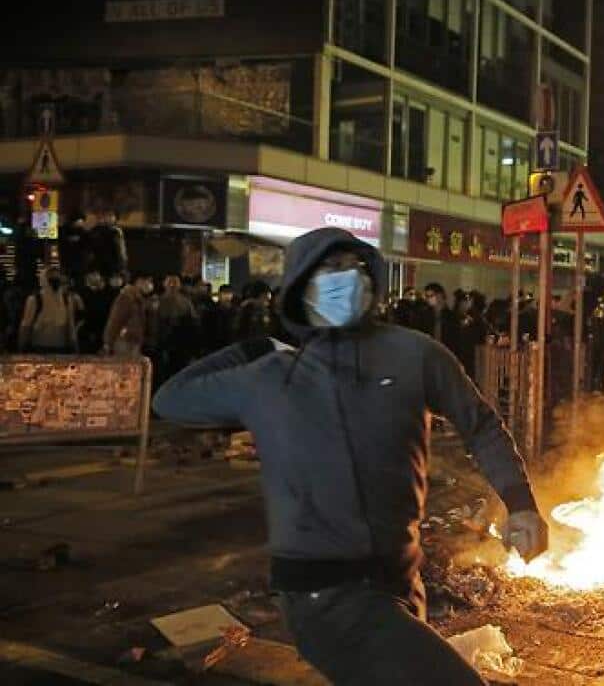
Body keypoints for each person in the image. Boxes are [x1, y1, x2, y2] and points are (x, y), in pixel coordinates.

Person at [152, 227, 547, 685]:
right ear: (302, 288)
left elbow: (479, 424)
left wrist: (520, 503)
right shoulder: (270, 375)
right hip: (324, 597)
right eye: (328, 269)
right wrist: (255, 345)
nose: (344, 278)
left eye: (352, 267)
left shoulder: (415, 354)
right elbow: (170, 399)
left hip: (400, 581)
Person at [18, 266, 80, 354]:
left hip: (61, 348)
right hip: (39, 348)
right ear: (44, 280)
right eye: (51, 279)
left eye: (57, 278)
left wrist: (74, 345)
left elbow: (71, 325)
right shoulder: (35, 299)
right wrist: (22, 347)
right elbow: (26, 326)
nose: (55, 282)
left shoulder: (66, 299)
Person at [154, 275, 199, 383]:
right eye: (170, 282)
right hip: (162, 343)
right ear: (165, 284)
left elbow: (193, 324)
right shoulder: (157, 301)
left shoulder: (186, 302)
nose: (172, 285)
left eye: (175, 282)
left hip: (180, 344)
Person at [104, 274, 153, 357]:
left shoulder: (138, 299)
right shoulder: (126, 298)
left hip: (133, 341)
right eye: (148, 281)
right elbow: (115, 320)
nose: (149, 284)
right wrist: (108, 342)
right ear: (139, 281)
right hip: (124, 342)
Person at [78, 270, 115, 355]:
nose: (92, 277)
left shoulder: (110, 294)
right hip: (88, 335)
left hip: (103, 333)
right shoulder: (85, 292)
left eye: (94, 274)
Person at [85, 209, 128, 280]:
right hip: (97, 266)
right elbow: (89, 249)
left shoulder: (116, 231)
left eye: (111, 216)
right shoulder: (95, 230)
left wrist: (122, 266)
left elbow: (121, 250)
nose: (108, 218)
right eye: (107, 215)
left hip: (112, 265)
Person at [423, 283, 459, 351]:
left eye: (430, 296)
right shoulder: (424, 315)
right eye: (426, 296)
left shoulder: (452, 317)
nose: (428, 299)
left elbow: (456, 340)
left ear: (440, 295)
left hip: (447, 352)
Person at [206, 284, 239, 352]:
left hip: (231, 344)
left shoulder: (236, 311)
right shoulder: (211, 310)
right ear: (219, 294)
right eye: (224, 293)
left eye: (229, 293)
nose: (227, 296)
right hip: (214, 345)